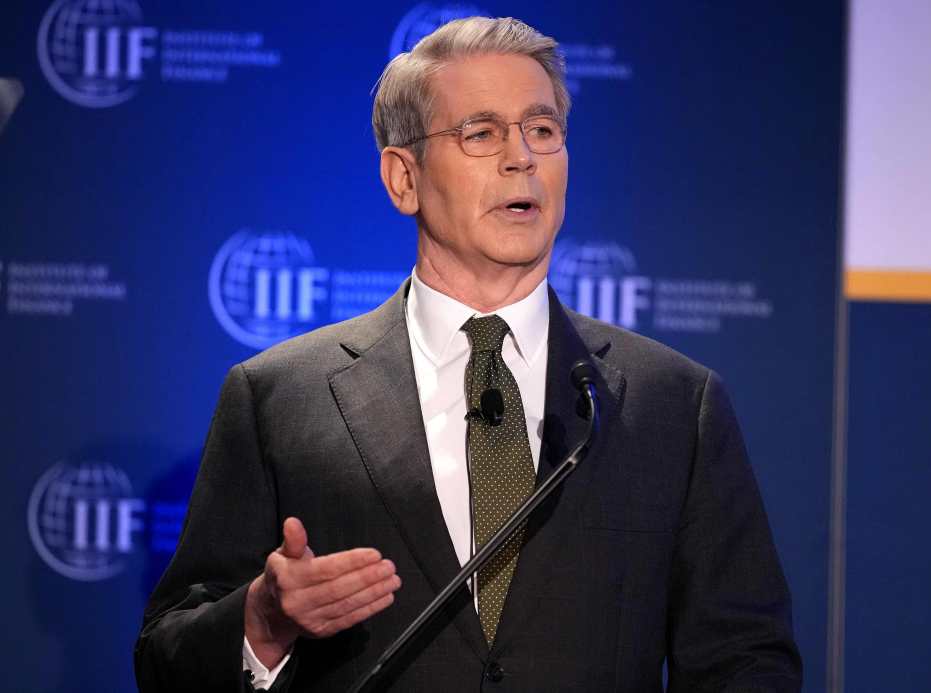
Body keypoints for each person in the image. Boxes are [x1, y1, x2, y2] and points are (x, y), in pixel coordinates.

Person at [135, 16, 801, 692]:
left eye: (542, 130)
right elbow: (165, 661)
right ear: (403, 178)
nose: (522, 158)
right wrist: (262, 622)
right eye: (481, 133)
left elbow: (745, 660)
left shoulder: (672, 404)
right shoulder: (280, 398)